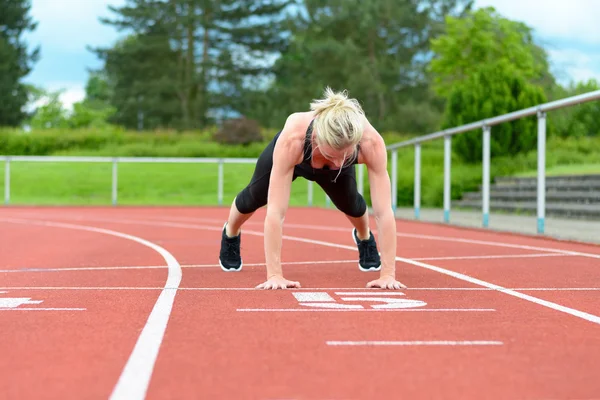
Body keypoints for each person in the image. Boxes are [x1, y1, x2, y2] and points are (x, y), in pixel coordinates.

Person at [218, 87, 406, 290]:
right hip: (297, 158)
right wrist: (274, 275)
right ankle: (231, 232)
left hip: (335, 155)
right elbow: (276, 211)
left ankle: (364, 237)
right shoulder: (293, 140)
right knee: (253, 198)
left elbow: (384, 212)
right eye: (333, 154)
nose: (340, 161)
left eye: (346, 155)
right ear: (317, 138)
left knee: (352, 204)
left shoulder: (371, 143)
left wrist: (388, 274)